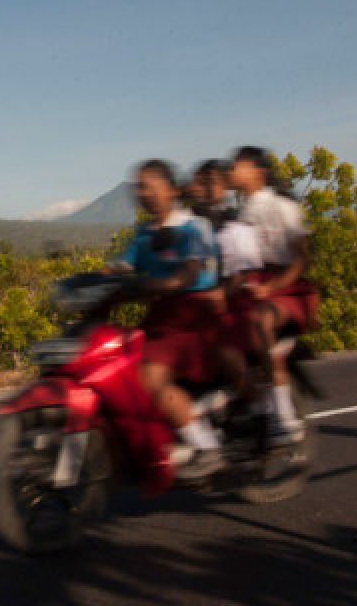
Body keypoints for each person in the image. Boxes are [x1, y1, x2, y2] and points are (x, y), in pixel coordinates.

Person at [112, 160, 223, 479]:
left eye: (148, 185)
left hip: (192, 314)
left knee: (149, 377)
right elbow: (123, 265)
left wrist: (153, 284)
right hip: (160, 314)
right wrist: (88, 280)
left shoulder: (193, 227)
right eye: (138, 186)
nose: (142, 192)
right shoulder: (144, 233)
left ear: (172, 190)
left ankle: (206, 447)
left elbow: (188, 273)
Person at [229, 146, 319, 444]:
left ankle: (283, 415)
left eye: (238, 166)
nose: (232, 171)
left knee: (260, 320)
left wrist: (271, 287)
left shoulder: (282, 208)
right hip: (255, 287)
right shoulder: (243, 211)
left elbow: (301, 259)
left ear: (259, 172)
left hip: (287, 289)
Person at [189, 159, 264, 400]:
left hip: (231, 295)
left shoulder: (233, 220)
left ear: (223, 186)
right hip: (197, 298)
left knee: (222, 343)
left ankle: (253, 398)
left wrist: (223, 292)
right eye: (199, 182)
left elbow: (242, 269)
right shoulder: (189, 220)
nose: (201, 188)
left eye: (208, 182)